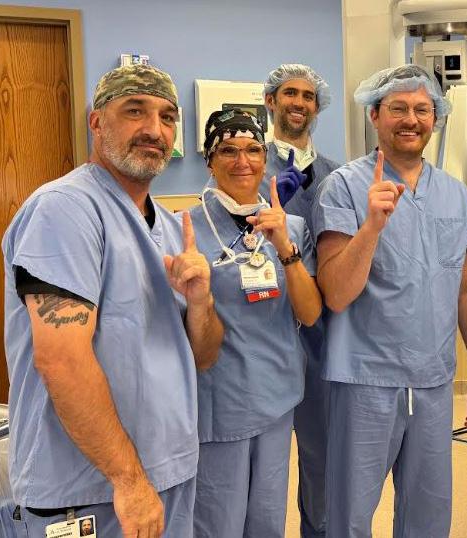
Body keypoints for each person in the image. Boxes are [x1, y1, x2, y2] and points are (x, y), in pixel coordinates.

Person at [2, 64, 224, 537]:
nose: (154, 130)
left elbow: (202, 357)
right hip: (91, 489)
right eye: (135, 111)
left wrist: (201, 302)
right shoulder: (65, 210)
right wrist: (129, 481)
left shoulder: (169, 227)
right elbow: (61, 360)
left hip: (166, 471)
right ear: (97, 122)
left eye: (167, 117)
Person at [310, 64, 467, 538]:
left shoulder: (455, 195)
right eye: (398, 108)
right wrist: (371, 226)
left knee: (428, 514)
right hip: (364, 378)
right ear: (374, 115)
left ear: (436, 118)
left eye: (422, 109)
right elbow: (336, 293)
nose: (411, 119)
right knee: (349, 514)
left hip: (433, 380)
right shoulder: (344, 188)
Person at [191, 108, 322, 538]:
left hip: (277, 397)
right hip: (219, 402)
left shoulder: (292, 227)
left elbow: (310, 313)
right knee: (218, 523)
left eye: (252, 149)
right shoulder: (185, 229)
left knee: (267, 520)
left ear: (266, 159)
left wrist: (284, 247)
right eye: (227, 150)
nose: (242, 161)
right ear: (210, 161)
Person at [262, 63, 340, 538]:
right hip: (265, 330)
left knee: (321, 457)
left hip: (321, 334)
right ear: (270, 101)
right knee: (262, 468)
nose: (299, 103)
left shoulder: (336, 175)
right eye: (289, 93)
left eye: (308, 96)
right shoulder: (246, 165)